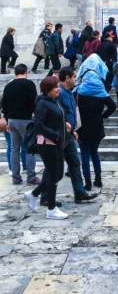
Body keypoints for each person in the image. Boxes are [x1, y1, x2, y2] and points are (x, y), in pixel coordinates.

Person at [38, 67, 98, 203]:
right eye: (75, 76)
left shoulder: (69, 92)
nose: (76, 79)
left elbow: (69, 113)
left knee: (75, 163)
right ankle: (45, 196)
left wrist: (73, 130)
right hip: (58, 135)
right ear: (67, 78)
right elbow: (54, 113)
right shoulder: (57, 93)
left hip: (68, 135)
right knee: (52, 167)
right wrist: (64, 125)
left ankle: (80, 192)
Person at [24, 76, 68, 220]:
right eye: (56, 87)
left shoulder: (53, 101)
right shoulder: (43, 103)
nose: (59, 89)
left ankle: (34, 194)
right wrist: (55, 135)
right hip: (47, 144)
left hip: (57, 142)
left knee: (58, 173)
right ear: (48, 89)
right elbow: (39, 125)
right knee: (54, 175)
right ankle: (51, 208)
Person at [74, 55, 116, 189]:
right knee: (94, 153)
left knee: (85, 154)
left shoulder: (78, 91)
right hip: (97, 126)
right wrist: (103, 116)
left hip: (82, 127)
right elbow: (113, 106)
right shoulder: (101, 91)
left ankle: (87, 182)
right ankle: (98, 179)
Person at [2, 64, 39, 186]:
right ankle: (31, 176)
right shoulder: (29, 85)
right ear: (26, 72)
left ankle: (16, 177)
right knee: (30, 148)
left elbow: (4, 105)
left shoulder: (8, 86)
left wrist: (7, 120)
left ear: (15, 73)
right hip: (25, 120)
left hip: (12, 120)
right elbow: (34, 103)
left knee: (14, 149)